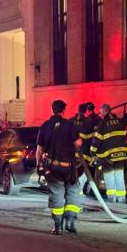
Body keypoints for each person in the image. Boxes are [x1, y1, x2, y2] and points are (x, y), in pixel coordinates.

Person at [36, 100, 82, 235]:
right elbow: (78, 142)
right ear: (64, 111)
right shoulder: (69, 125)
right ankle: (70, 222)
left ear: (52, 110)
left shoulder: (45, 126)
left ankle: (58, 227)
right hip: (69, 168)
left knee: (56, 194)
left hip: (53, 168)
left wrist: (38, 164)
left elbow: (39, 149)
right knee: (73, 192)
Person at [91, 104, 127, 203]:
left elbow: (97, 139)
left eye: (101, 112)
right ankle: (122, 199)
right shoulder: (120, 121)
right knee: (120, 176)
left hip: (107, 155)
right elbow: (125, 137)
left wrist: (92, 152)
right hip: (120, 154)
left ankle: (112, 199)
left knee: (109, 176)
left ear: (104, 112)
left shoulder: (102, 123)